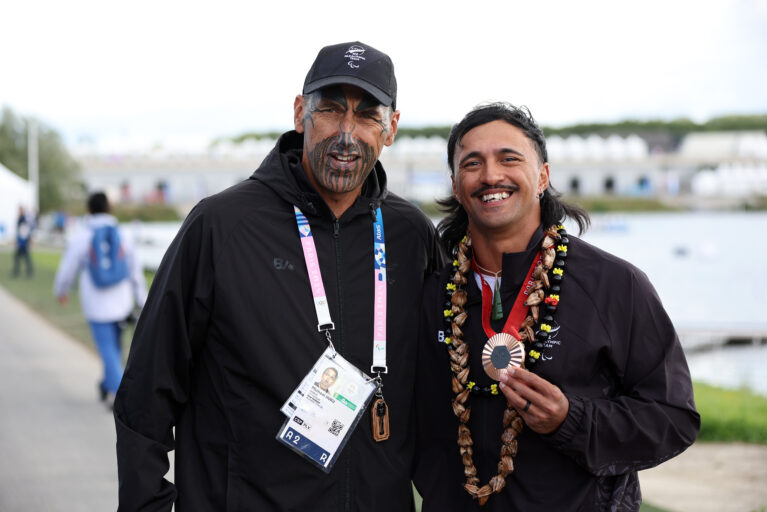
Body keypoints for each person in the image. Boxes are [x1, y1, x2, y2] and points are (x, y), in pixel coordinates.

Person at [114, 41, 444, 511]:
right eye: (330, 110)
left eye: (368, 115)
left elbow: (437, 399)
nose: (346, 133)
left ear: (391, 128)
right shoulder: (221, 225)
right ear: (298, 113)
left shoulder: (411, 235)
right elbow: (146, 392)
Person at [414, 103, 699, 511]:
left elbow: (673, 418)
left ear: (543, 176)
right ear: (457, 187)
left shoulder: (614, 285)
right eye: (472, 163)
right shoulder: (433, 294)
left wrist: (572, 421)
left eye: (509, 159)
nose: (491, 175)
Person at [54, 192, 147, 408]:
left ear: (89, 210)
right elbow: (135, 270)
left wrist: (62, 291)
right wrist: (142, 299)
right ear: (110, 208)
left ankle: (119, 395)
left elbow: (68, 267)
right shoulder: (123, 235)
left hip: (96, 305)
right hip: (122, 302)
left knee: (108, 351)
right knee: (114, 348)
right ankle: (107, 384)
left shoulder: (82, 236)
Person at [12, 205, 34, 278]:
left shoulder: (23, 219)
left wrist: (25, 241)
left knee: (25, 258)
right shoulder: (20, 219)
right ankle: (18, 271)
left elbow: (24, 231)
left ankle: (28, 272)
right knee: (19, 258)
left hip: (23, 243)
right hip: (21, 242)